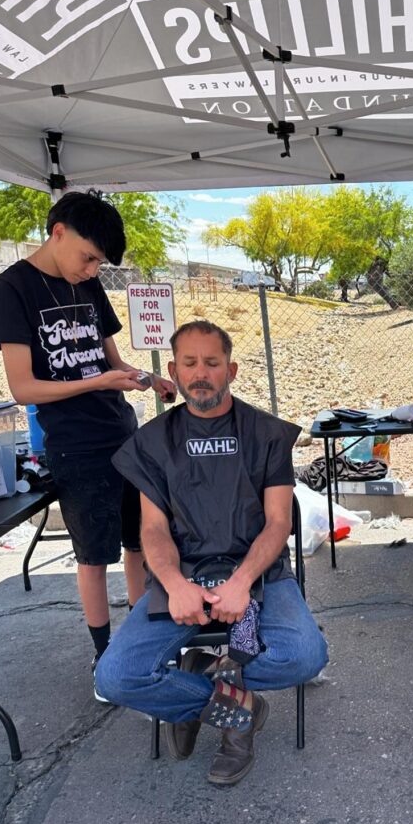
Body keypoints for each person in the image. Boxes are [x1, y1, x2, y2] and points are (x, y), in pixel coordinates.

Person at [95, 320, 328, 785]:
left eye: (212, 363)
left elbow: (279, 521)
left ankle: (202, 680)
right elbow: (154, 530)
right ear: (175, 372)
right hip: (183, 577)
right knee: (116, 676)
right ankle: (234, 706)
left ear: (232, 370)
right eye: (189, 363)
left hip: (258, 574)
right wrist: (176, 584)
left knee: (305, 656)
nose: (200, 373)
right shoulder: (153, 441)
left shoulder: (265, 434)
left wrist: (241, 581)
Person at [0, 191, 175, 697]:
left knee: (141, 543)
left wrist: (143, 378)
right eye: (88, 257)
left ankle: (146, 640)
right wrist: (95, 383)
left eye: (99, 262)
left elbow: (110, 359)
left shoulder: (89, 285)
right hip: (74, 445)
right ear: (58, 233)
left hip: (121, 431)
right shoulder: (11, 290)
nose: (92, 270)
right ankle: (104, 659)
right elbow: (23, 387)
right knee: (94, 556)